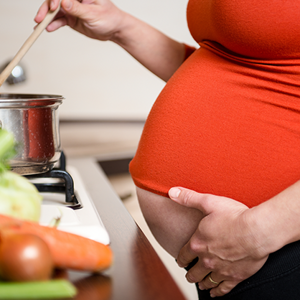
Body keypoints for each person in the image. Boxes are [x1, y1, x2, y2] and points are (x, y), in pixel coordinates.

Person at [35, 1, 300, 299]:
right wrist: (121, 27)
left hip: (276, 246)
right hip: (235, 252)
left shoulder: (259, 237)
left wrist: (259, 231)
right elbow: (238, 74)